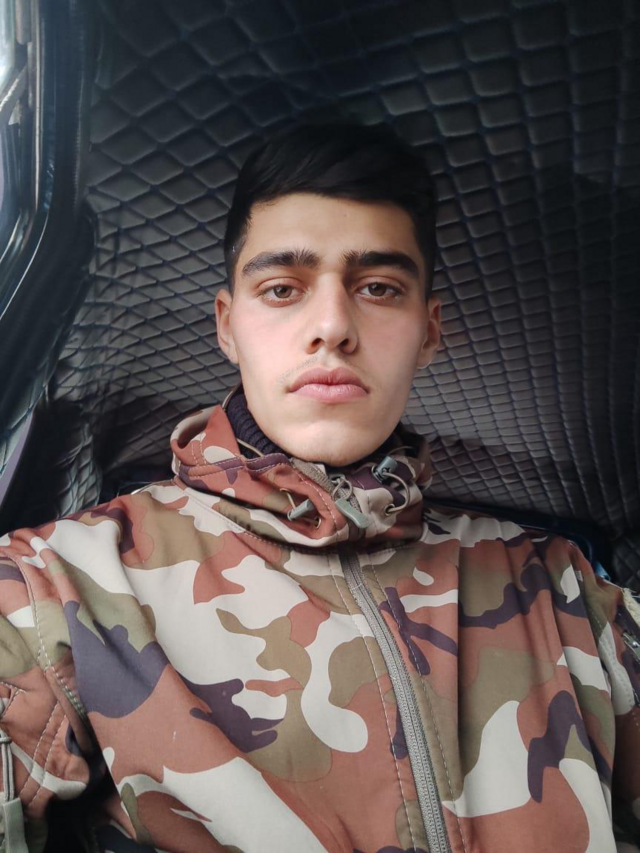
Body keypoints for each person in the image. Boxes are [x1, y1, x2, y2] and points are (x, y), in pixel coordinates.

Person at [0, 121, 638, 853]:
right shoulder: (56, 585)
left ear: (429, 331)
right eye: (282, 289)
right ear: (227, 326)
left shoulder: (568, 593)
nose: (332, 325)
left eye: (378, 288)